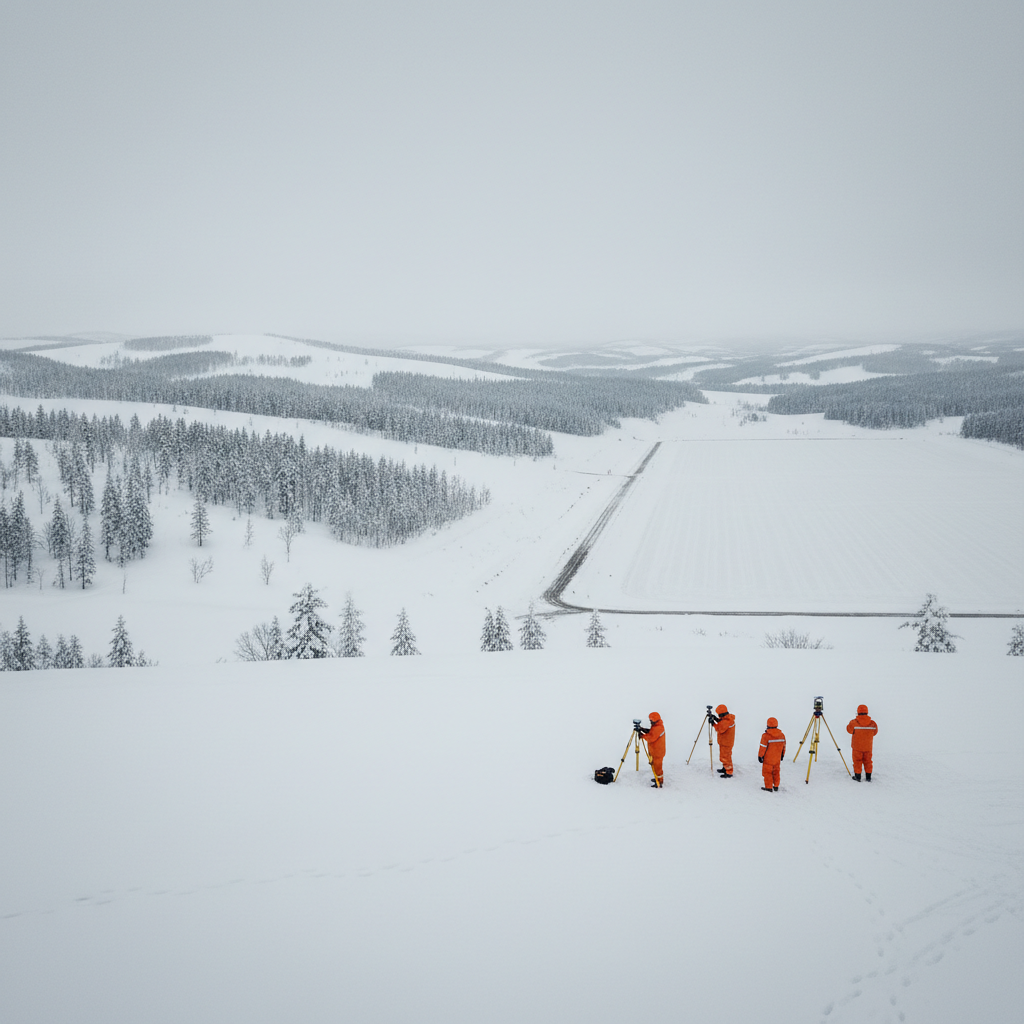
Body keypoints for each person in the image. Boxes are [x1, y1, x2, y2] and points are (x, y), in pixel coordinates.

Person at [846, 704, 878, 781]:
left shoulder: (854, 723)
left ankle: (858, 776)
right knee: (868, 761)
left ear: (858, 712)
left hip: (857, 747)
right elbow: (875, 732)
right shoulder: (873, 723)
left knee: (857, 761)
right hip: (868, 747)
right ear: (867, 712)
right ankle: (868, 777)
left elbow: (849, 730)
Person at [757, 717, 786, 792]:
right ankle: (776, 786)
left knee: (767, 773)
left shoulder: (765, 736)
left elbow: (762, 747)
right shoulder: (782, 735)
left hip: (768, 759)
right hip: (777, 758)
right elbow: (784, 746)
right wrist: (782, 755)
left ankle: (769, 787)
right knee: (776, 772)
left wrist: (760, 756)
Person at [638, 712, 666, 788]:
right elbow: (651, 732)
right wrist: (643, 730)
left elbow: (651, 738)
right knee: (655, 766)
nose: (650, 722)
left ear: (655, 720)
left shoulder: (658, 728)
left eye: (651, 720)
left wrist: (642, 736)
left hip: (658, 752)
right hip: (655, 751)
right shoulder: (656, 726)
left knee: (658, 767)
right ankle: (657, 778)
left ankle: (659, 782)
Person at [710, 704, 735, 778]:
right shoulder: (728, 719)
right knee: (725, 756)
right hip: (726, 742)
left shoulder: (726, 722)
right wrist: (716, 719)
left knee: (725, 757)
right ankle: (725, 768)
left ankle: (729, 772)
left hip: (726, 743)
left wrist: (713, 723)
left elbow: (720, 729)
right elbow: (722, 723)